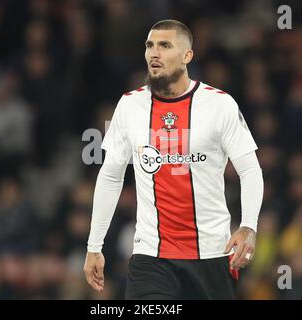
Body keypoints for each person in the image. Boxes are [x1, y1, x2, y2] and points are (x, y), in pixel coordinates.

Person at [83, 19, 264, 299]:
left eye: (165, 45)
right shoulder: (130, 105)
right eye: (149, 46)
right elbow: (110, 175)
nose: (154, 53)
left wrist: (249, 226)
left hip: (212, 254)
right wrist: (94, 245)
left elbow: (250, 169)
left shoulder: (220, 105)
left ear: (187, 55)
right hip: (151, 257)